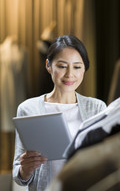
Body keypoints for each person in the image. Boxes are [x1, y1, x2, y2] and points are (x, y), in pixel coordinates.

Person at [13, 35, 106, 191]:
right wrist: (25, 169)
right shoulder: (29, 109)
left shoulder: (97, 108)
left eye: (77, 67)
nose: (70, 74)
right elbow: (19, 175)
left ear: (85, 68)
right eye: (62, 66)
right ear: (48, 65)